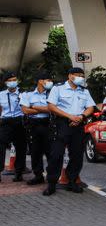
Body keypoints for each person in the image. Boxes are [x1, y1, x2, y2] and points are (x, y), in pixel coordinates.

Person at [44, 67, 97, 195]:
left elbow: (90, 107)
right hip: (61, 124)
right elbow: (51, 106)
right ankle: (51, 183)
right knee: (56, 154)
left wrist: (81, 117)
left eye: (82, 75)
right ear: (70, 76)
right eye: (77, 75)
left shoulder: (84, 91)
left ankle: (72, 181)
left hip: (78, 124)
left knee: (77, 155)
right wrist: (69, 116)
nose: (80, 77)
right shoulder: (58, 88)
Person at [20, 71, 54, 185]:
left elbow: (52, 109)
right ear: (40, 81)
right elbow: (25, 110)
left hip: (48, 124)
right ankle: (38, 175)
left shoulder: (53, 93)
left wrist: (33, 106)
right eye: (48, 80)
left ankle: (52, 176)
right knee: (35, 152)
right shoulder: (28, 94)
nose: (50, 82)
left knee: (50, 151)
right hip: (33, 125)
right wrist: (43, 108)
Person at [0, 71, 27, 182]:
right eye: (10, 81)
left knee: (21, 147)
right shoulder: (1, 94)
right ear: (5, 83)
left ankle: (19, 172)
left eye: (14, 80)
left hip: (19, 122)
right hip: (5, 122)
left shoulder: (23, 94)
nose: (13, 82)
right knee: (0, 146)